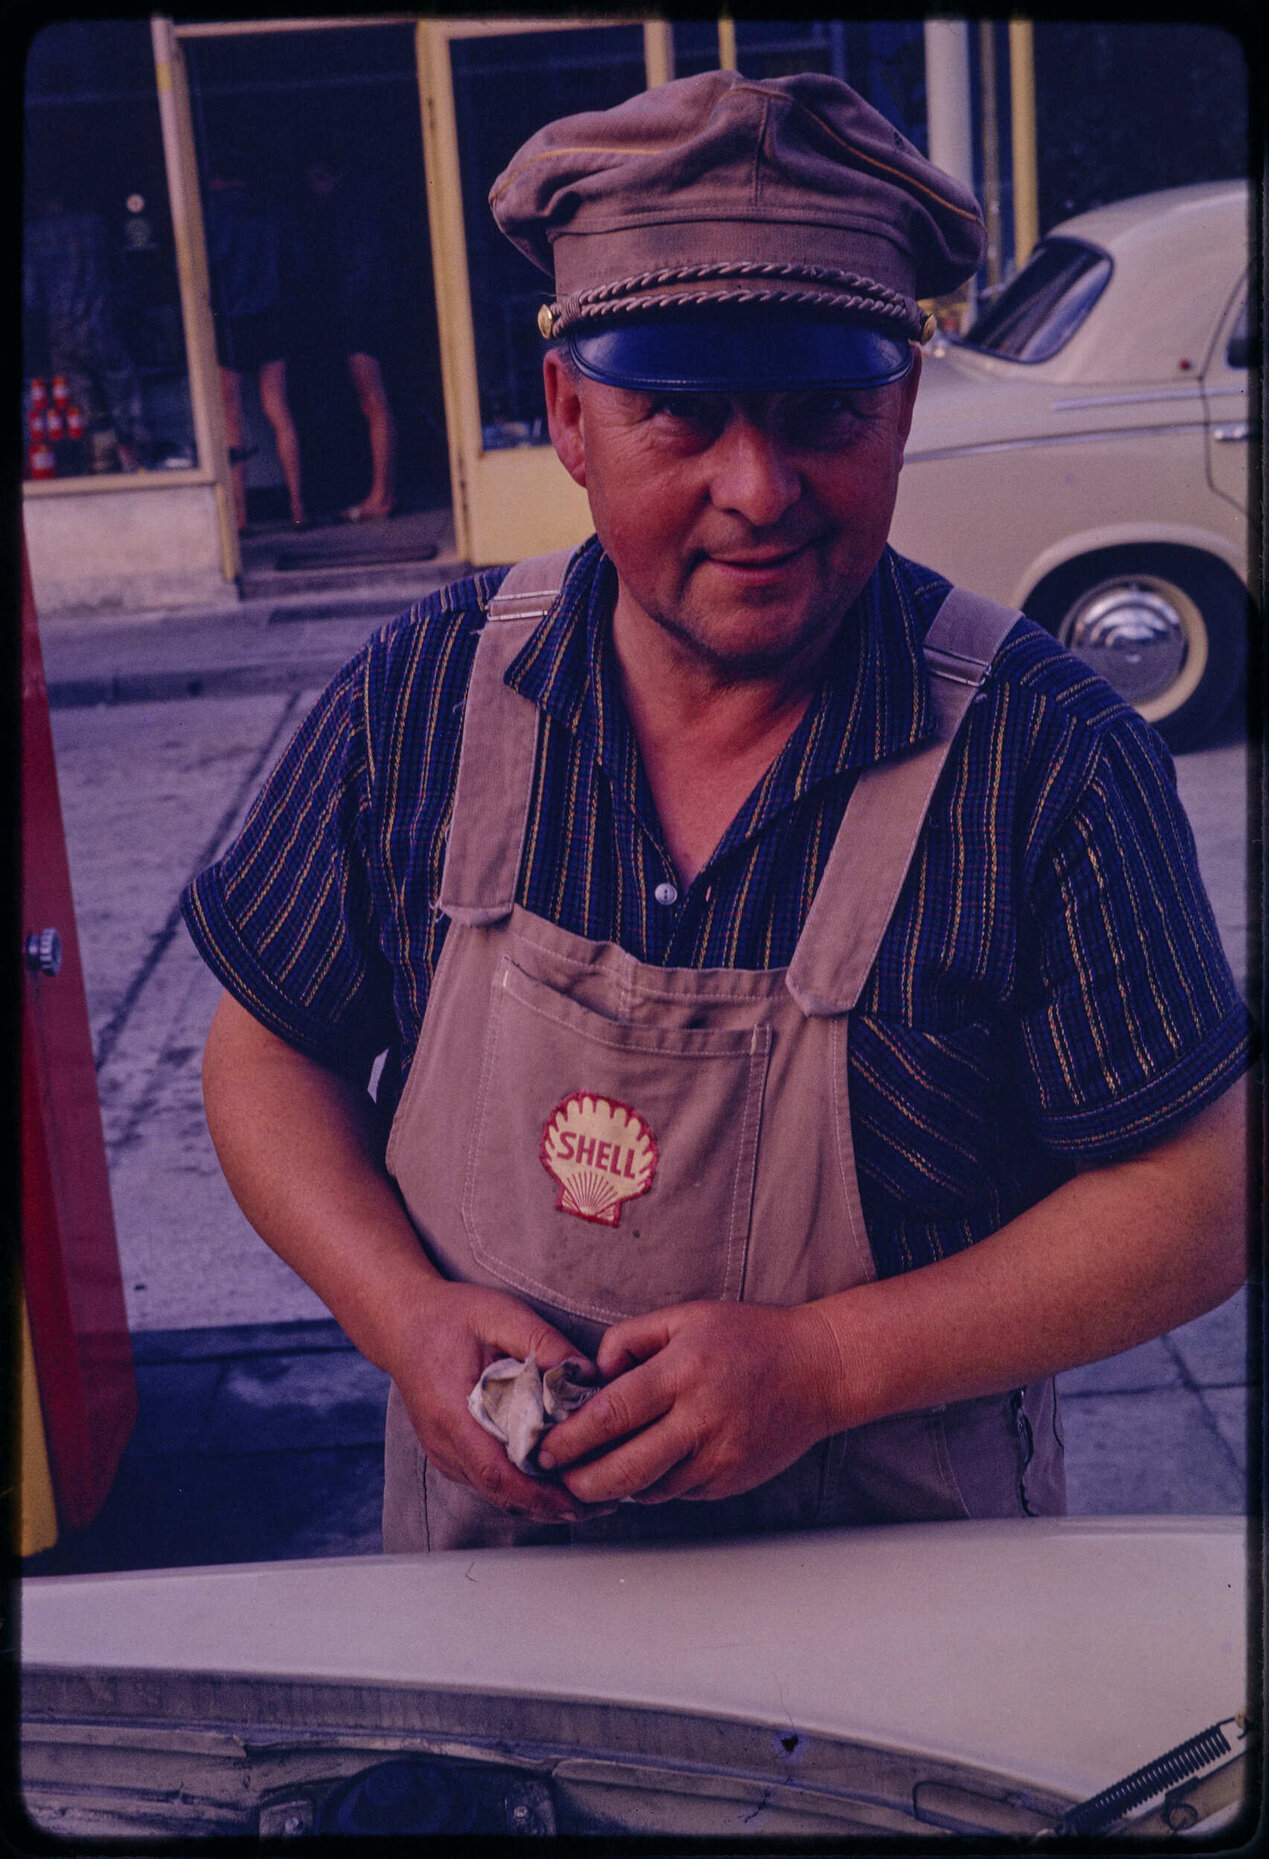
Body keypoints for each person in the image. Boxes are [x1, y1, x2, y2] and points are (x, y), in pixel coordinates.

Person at [183, 72, 1252, 1555]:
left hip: (912, 1628)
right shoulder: (424, 698)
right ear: (568, 411)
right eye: (679, 414)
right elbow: (267, 1052)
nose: (758, 489)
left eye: (824, 408)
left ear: (905, 401)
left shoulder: (1047, 759)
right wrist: (399, 1306)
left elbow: (1200, 1189)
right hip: (490, 1604)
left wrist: (829, 1366)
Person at [204, 152, 306, 531]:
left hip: (230, 324)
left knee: (232, 418)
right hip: (272, 320)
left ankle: (240, 517)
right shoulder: (272, 212)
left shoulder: (210, 215)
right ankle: (298, 508)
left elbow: (206, 272)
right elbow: (296, 265)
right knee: (278, 410)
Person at [298, 147, 397, 523]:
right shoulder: (356, 211)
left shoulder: (348, 214)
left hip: (359, 320)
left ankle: (380, 497)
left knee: (373, 403)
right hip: (363, 317)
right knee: (372, 404)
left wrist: (343, 315)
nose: (315, 188)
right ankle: (380, 493)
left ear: (337, 177)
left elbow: (360, 271)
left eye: (320, 178)